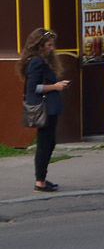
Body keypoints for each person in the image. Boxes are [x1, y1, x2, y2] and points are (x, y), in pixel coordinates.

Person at [19, 28, 70, 193]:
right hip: (44, 108)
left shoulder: (41, 60)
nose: (52, 48)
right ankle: (40, 181)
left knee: (49, 143)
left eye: (52, 44)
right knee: (44, 144)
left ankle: (42, 178)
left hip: (50, 107)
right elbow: (33, 87)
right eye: (49, 45)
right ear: (40, 45)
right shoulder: (36, 62)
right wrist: (55, 86)